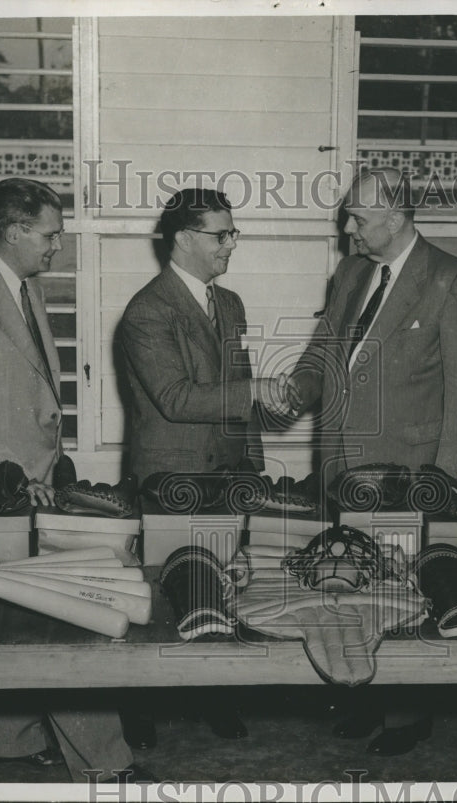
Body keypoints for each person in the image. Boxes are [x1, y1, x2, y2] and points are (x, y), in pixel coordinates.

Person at [0, 177, 148, 782]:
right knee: (65, 620)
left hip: (38, 483)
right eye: (50, 234)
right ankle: (107, 766)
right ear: (16, 230)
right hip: (3, 493)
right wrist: (14, 478)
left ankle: (6, 741)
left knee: (20, 622)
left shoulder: (20, 288)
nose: (58, 246)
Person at [287, 167, 457, 756]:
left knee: (406, 588)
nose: (348, 226)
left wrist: (445, 483)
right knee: (355, 583)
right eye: (349, 215)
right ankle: (365, 698)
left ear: (397, 218)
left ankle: (409, 712)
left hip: (409, 472)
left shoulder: (452, 279)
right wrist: (291, 393)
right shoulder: (351, 272)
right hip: (344, 464)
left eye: (359, 217)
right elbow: (323, 353)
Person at [118, 186, 288, 740]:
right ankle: (139, 710)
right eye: (222, 234)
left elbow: (241, 394)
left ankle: (217, 696)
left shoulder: (230, 303)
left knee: (222, 587)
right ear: (184, 238)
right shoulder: (148, 311)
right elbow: (174, 398)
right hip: (172, 479)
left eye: (233, 233)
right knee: (164, 592)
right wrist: (255, 390)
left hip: (227, 475)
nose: (231, 244)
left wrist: (253, 465)